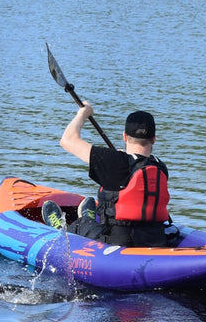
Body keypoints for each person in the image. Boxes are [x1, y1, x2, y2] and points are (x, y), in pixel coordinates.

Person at [42, 102, 172, 247]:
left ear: (124, 136)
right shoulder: (160, 167)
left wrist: (83, 114)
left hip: (118, 242)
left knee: (80, 225)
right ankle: (88, 215)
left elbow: (67, 140)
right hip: (155, 239)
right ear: (154, 138)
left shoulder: (115, 161)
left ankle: (60, 227)